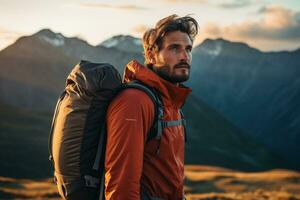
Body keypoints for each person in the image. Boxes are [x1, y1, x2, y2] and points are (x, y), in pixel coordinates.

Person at [105, 14, 199, 200]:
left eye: (188, 49)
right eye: (174, 49)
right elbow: (121, 186)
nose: (184, 56)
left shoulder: (170, 102)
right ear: (151, 55)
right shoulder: (135, 101)